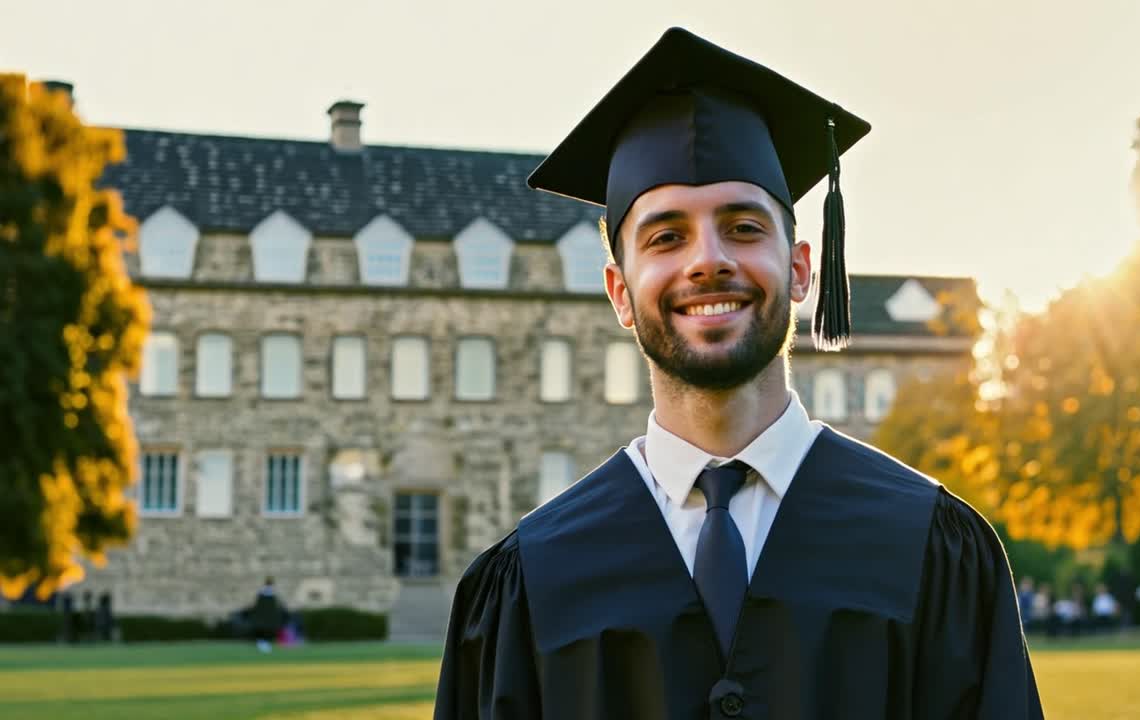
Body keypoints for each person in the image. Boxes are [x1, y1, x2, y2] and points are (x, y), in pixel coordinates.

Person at [434, 27, 1042, 719]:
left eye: (745, 227)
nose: (708, 260)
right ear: (619, 292)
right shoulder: (528, 579)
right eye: (666, 236)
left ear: (801, 268)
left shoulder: (933, 548)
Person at [249, 577, 286, 653]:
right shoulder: (272, 594)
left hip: (262, 617)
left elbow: (256, 606)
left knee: (263, 631)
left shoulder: (262, 593)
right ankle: (264, 645)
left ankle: (263, 644)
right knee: (267, 631)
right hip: (269, 617)